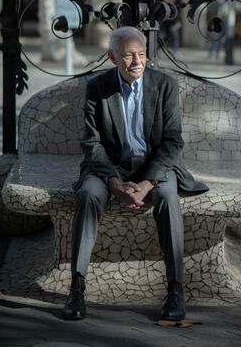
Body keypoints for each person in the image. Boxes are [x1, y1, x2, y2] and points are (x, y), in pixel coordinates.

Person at [63, 26, 208, 321]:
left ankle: (175, 290)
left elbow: (172, 142)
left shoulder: (164, 86)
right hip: (110, 165)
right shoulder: (98, 87)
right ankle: (76, 288)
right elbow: (92, 143)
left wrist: (146, 183)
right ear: (112, 56)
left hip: (154, 165)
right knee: (89, 194)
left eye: (141, 54)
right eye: (128, 55)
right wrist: (114, 182)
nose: (137, 61)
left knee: (167, 197)